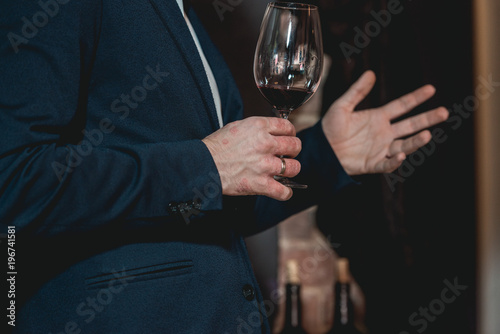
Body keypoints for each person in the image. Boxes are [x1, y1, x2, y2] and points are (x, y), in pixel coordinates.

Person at [0, 0, 448, 333]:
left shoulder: (186, 17)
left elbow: (214, 206)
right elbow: (14, 182)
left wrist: (327, 153)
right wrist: (206, 165)